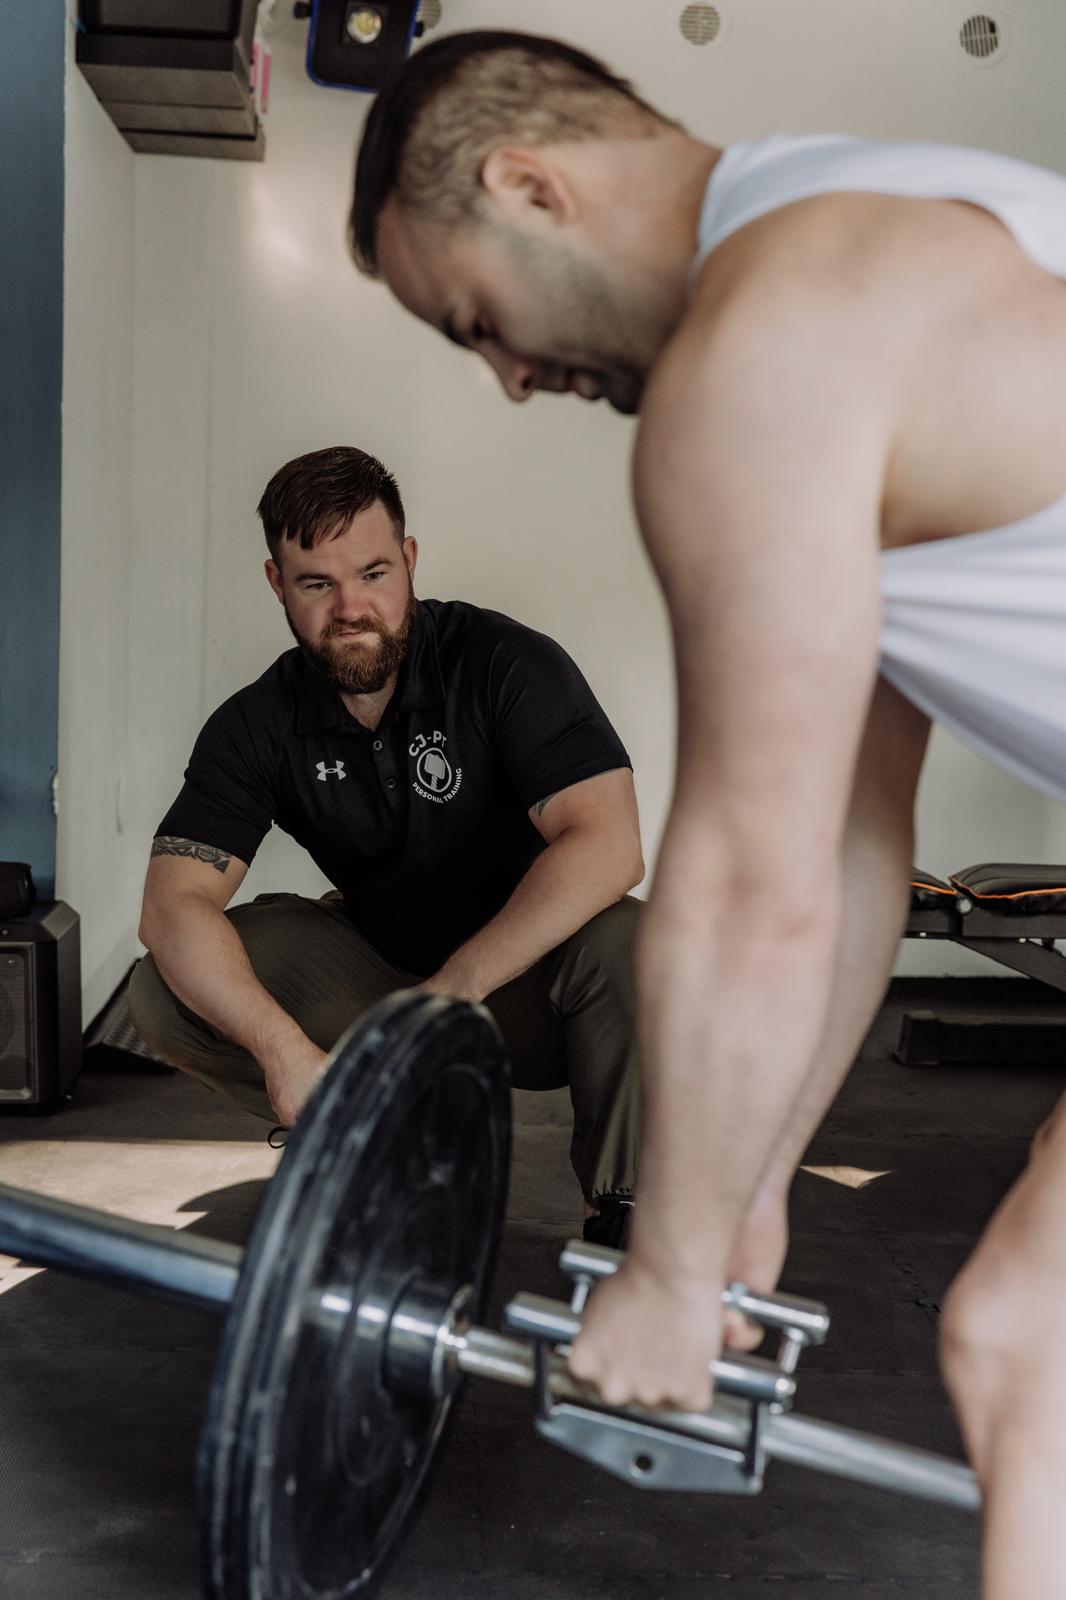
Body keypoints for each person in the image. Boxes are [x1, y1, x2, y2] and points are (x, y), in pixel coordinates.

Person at [348, 30, 1066, 1596]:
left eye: (477, 321)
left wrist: (668, 1278)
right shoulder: (870, 225)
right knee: (1029, 1348)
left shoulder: (759, 349)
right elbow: (852, 850)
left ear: (527, 183)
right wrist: (742, 1196)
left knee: (1032, 1355)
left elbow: (748, 888)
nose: (512, 378)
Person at [128, 444, 644, 1247]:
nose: (351, 609)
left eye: (372, 574)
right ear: (277, 585)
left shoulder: (505, 664)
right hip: (376, 977)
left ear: (408, 561)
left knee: (637, 944)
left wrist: (456, 986)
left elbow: (609, 845)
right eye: (317, 584)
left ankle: (625, 1216)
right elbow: (171, 908)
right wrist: (282, 1050)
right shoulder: (258, 722)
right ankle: (357, 1127)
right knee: (162, 987)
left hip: (532, 990)